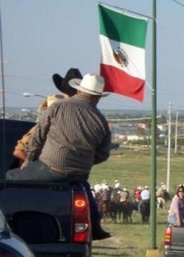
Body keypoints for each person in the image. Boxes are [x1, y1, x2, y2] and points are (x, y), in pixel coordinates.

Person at [6, 73, 112, 240]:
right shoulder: (101, 121)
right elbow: (103, 154)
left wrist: (30, 160)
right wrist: (84, 161)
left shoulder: (58, 107)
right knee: (83, 188)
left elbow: (38, 137)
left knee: (10, 176)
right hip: (79, 175)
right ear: (98, 97)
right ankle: (95, 225)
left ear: (79, 91)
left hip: (50, 168)